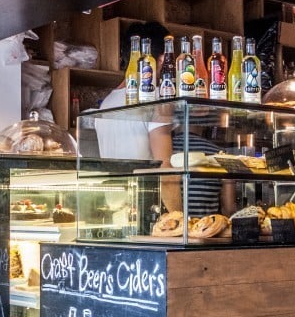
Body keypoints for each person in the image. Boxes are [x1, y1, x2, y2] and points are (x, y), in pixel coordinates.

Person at [94, 22, 234, 218]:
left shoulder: (107, 103)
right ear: (161, 59)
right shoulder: (158, 98)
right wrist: (180, 221)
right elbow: (165, 167)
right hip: (147, 205)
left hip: (115, 206)